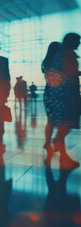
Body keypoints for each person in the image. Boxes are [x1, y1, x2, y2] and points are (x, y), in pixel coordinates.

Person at [44, 33, 81, 169]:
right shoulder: (68, 54)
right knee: (65, 125)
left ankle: (60, 150)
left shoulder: (57, 55)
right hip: (67, 95)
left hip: (59, 95)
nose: (79, 43)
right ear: (70, 42)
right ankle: (62, 153)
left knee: (62, 124)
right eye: (78, 40)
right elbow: (70, 73)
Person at [41, 41, 61, 163]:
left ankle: (48, 142)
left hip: (48, 92)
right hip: (56, 93)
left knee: (50, 120)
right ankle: (54, 142)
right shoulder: (56, 62)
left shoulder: (45, 63)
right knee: (60, 120)